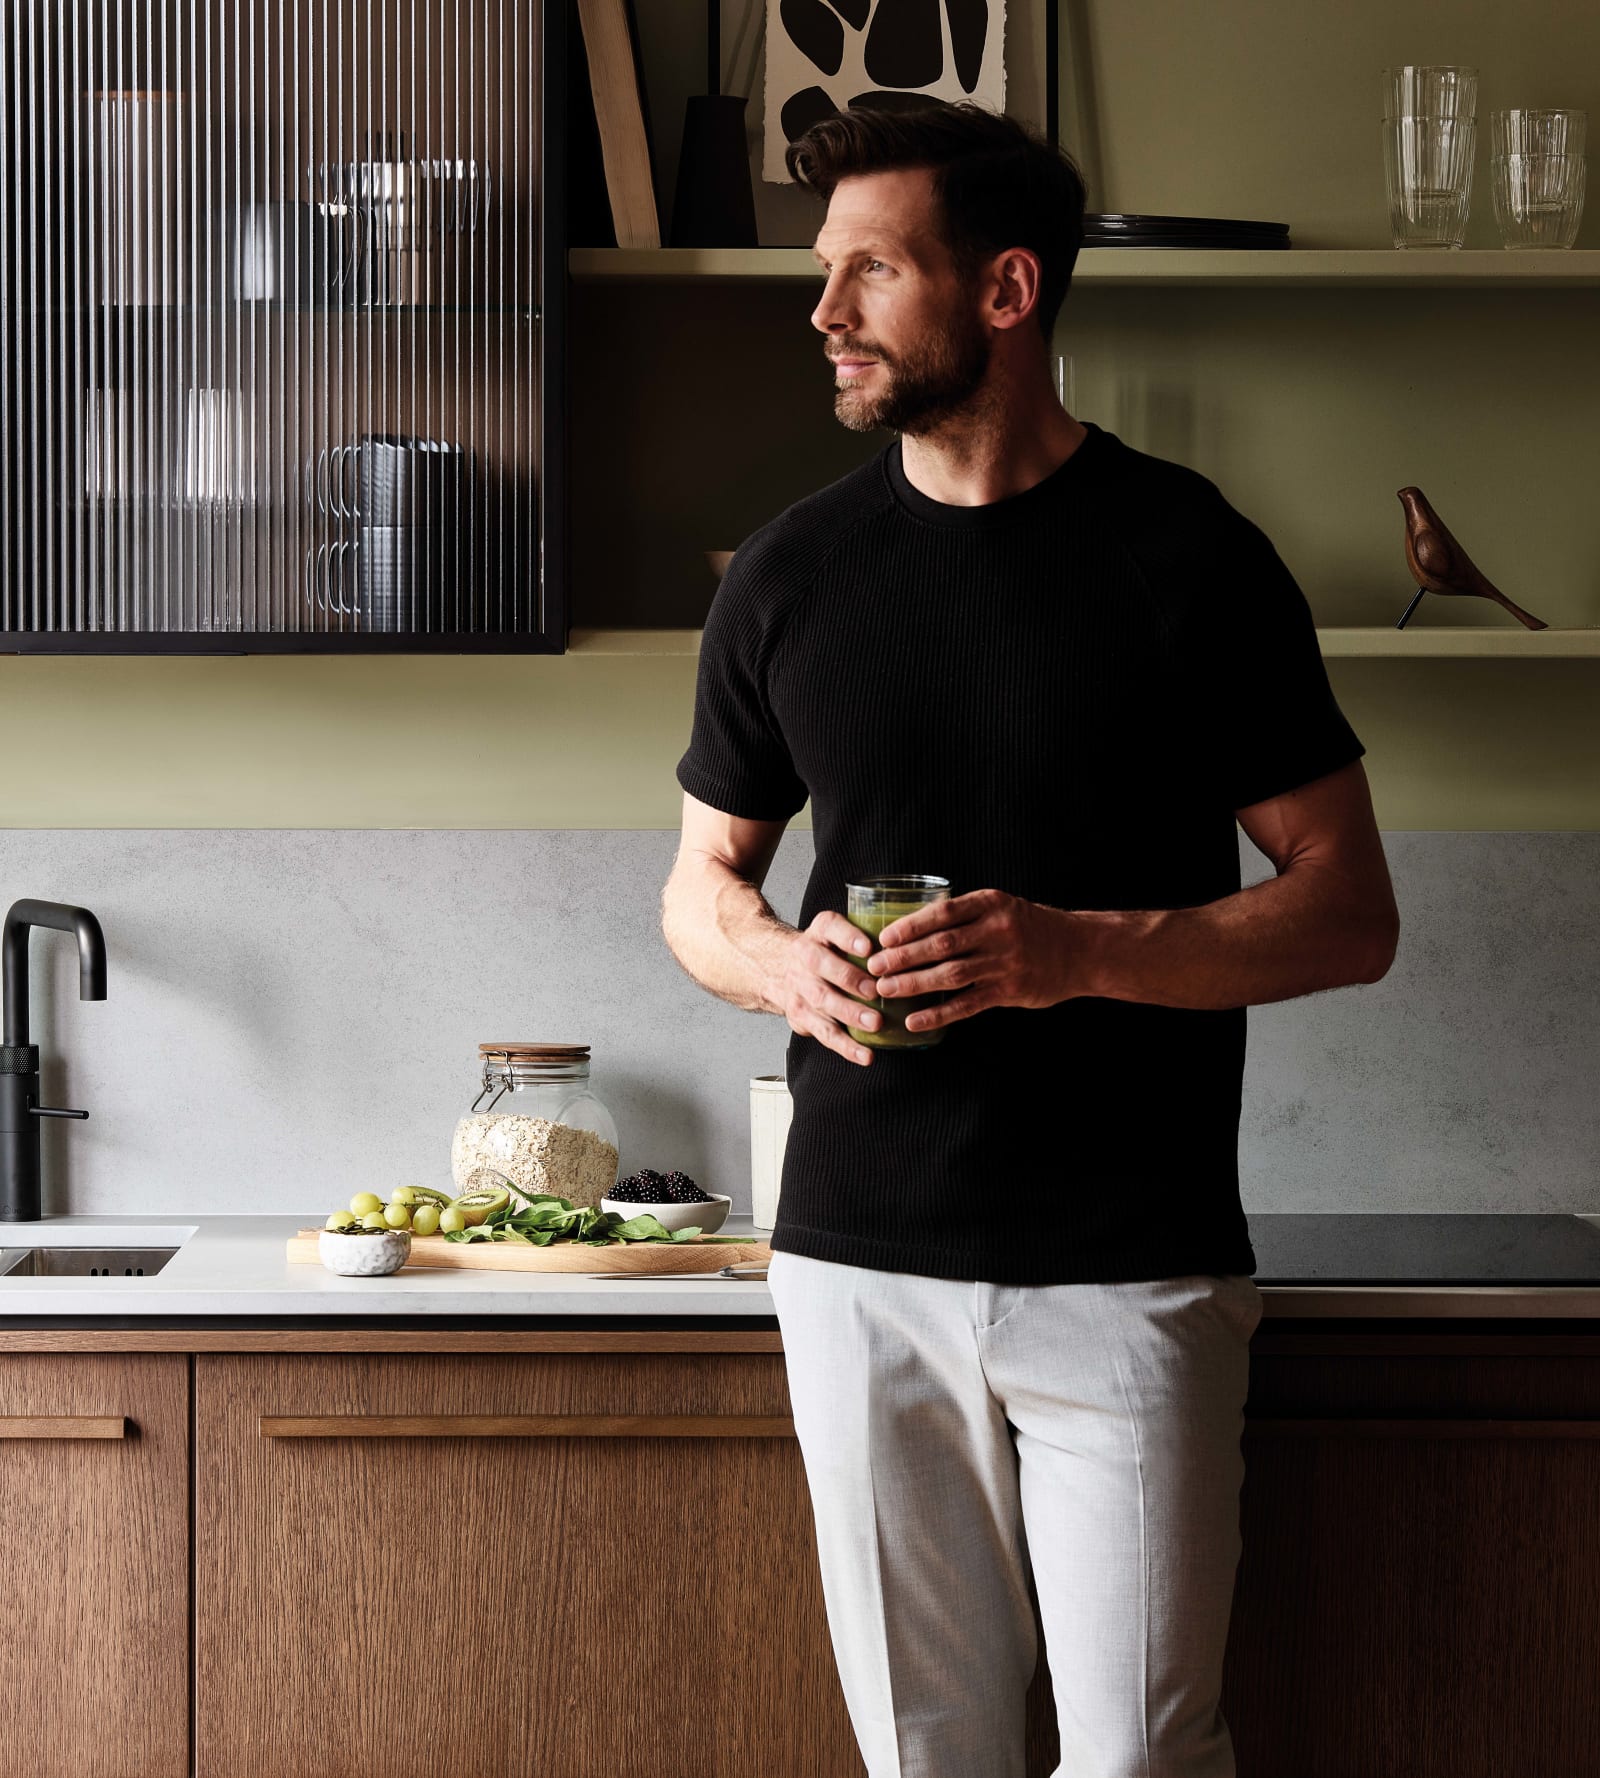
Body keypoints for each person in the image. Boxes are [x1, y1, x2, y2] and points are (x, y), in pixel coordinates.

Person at [660, 100, 1399, 1778]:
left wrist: (1076, 950)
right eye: (821, 270)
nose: (823, 311)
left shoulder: (1193, 560)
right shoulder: (786, 577)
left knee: (1142, 1756)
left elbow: (1350, 909)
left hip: (1131, 1262)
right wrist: (781, 960)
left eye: (869, 270)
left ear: (1004, 290)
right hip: (855, 1260)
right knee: (929, 1757)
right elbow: (699, 888)